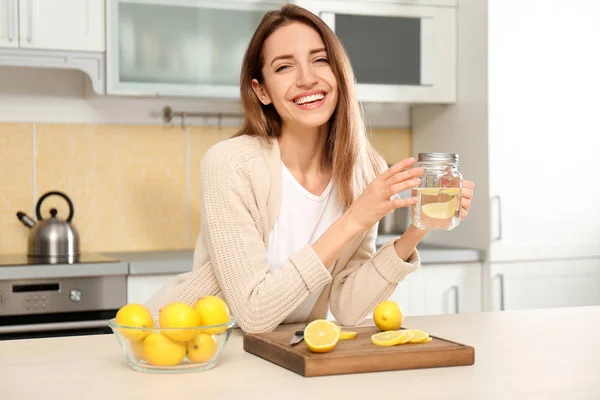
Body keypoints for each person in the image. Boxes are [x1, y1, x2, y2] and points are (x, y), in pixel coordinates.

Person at [146, 4, 475, 333]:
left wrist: (420, 225)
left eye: (320, 60)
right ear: (261, 91)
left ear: (339, 72)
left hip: (287, 353)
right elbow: (253, 314)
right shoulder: (230, 165)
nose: (307, 79)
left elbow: (348, 307)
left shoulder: (365, 170)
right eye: (284, 67)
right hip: (186, 343)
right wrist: (353, 220)